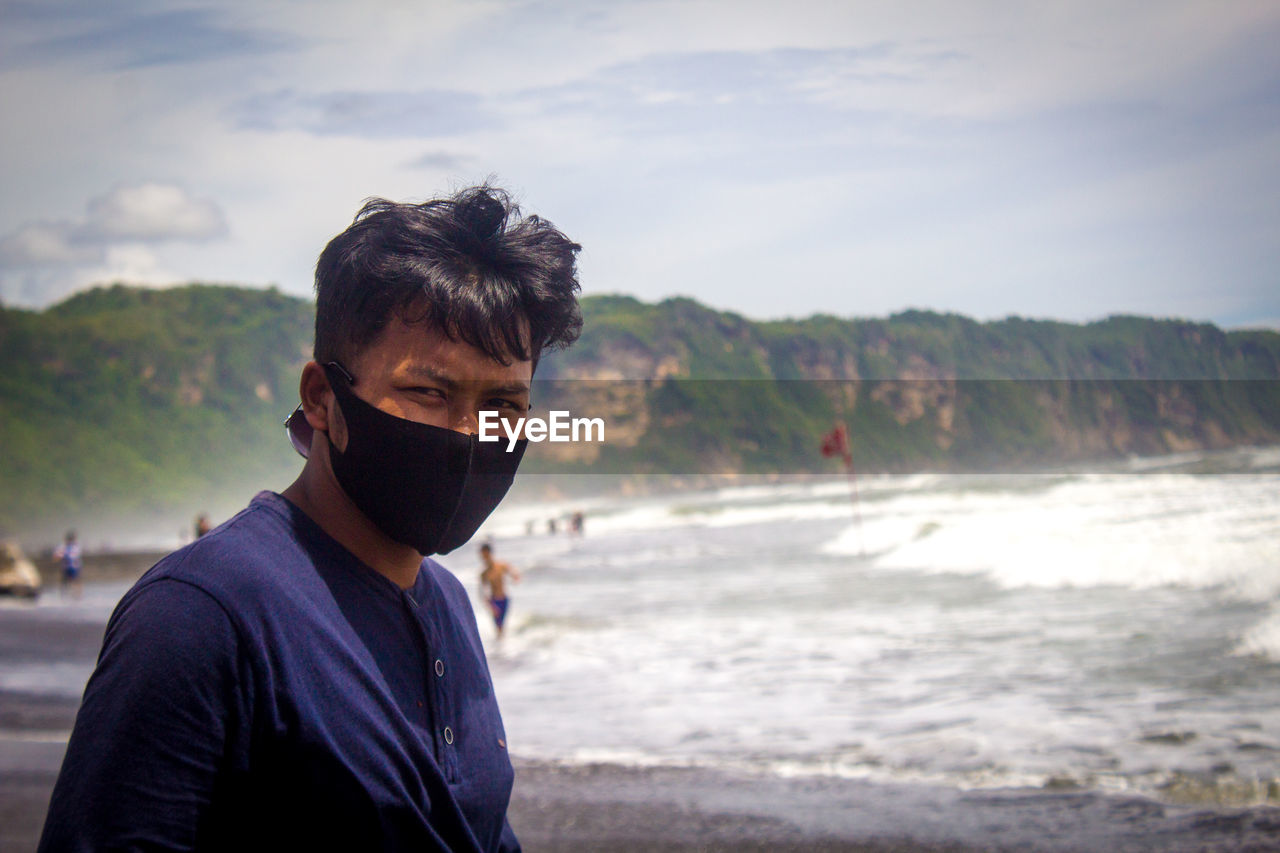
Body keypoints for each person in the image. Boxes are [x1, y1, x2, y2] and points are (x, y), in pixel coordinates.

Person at [39, 186, 582, 852]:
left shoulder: (447, 602)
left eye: (503, 403)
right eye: (428, 392)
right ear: (323, 397)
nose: (470, 433)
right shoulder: (201, 618)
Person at [478, 543, 521, 639]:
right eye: (482, 556)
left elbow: (514, 573)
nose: (484, 558)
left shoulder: (501, 566)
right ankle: (500, 649)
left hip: (504, 599)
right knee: (498, 627)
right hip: (494, 602)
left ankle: (501, 648)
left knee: (502, 626)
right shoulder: (484, 574)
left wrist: (515, 577)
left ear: (489, 553)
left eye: (485, 555)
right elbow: (482, 594)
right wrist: (491, 607)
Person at [53, 530, 82, 598]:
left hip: (68, 567)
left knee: (67, 581)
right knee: (74, 581)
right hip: (73, 567)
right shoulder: (75, 547)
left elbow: (58, 556)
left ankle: (65, 595)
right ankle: (75, 595)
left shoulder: (65, 547)